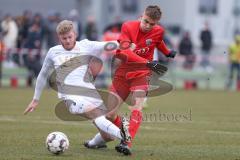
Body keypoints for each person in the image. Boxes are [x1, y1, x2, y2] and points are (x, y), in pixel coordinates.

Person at [23, 20, 132, 154]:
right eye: (64, 38)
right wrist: (35, 99)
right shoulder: (53, 52)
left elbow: (109, 45)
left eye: (70, 37)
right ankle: (124, 136)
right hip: (70, 97)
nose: (68, 40)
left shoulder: (86, 45)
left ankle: (93, 143)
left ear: (75, 34)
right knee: (97, 114)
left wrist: (127, 43)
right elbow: (42, 74)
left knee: (107, 136)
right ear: (59, 38)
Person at [85, 5, 176, 155]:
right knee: (109, 115)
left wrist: (167, 52)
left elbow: (158, 41)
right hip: (123, 73)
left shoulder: (159, 31)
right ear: (141, 16)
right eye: (146, 21)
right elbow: (126, 52)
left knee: (137, 107)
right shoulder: (128, 27)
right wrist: (148, 62)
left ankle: (126, 143)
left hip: (142, 74)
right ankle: (121, 132)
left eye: (152, 24)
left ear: (157, 23)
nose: (148, 26)